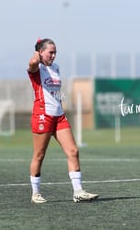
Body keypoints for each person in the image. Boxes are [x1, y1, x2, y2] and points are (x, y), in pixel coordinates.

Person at [27, 38, 98, 203]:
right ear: (41, 52)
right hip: (43, 115)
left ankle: (78, 191)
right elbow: (32, 62)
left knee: (73, 151)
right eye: (50, 52)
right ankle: (35, 193)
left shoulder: (56, 68)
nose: (53, 55)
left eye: (55, 52)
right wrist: (37, 50)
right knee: (39, 155)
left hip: (59, 116)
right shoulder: (36, 69)